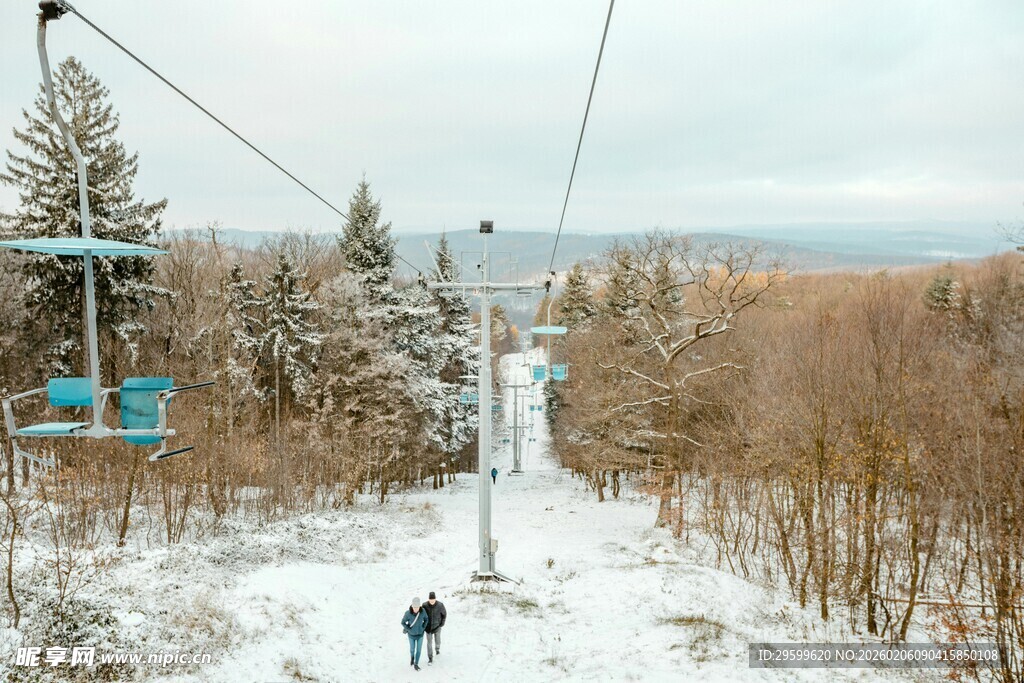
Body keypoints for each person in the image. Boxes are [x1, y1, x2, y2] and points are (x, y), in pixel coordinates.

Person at [401, 597, 429, 671]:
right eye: (414, 607)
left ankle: (416, 663)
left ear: (419, 606)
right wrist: (408, 629)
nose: (415, 609)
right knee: (412, 649)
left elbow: (426, 619)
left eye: (417, 607)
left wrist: (423, 627)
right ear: (412, 606)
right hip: (411, 635)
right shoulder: (407, 613)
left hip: (420, 635)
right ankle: (412, 658)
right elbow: (403, 622)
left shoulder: (423, 611)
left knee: (419, 650)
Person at [423, 591, 447, 664]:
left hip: (437, 626)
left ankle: (437, 649)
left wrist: (442, 624)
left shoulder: (440, 605)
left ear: (435, 599)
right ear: (429, 599)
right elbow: (422, 616)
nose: (432, 601)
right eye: (430, 600)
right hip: (428, 628)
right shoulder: (424, 605)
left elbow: (444, 614)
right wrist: (423, 625)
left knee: (438, 640)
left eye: (433, 600)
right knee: (429, 643)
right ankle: (430, 657)